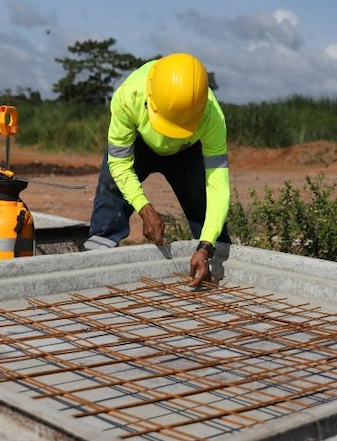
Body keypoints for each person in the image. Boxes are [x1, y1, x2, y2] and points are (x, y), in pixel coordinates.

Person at [83, 52, 230, 287]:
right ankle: (95, 264)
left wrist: (206, 245)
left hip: (186, 152)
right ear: (150, 98)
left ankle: (211, 261)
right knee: (112, 193)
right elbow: (120, 164)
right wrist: (144, 208)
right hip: (139, 144)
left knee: (205, 211)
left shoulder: (213, 117)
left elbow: (218, 187)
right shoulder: (128, 96)